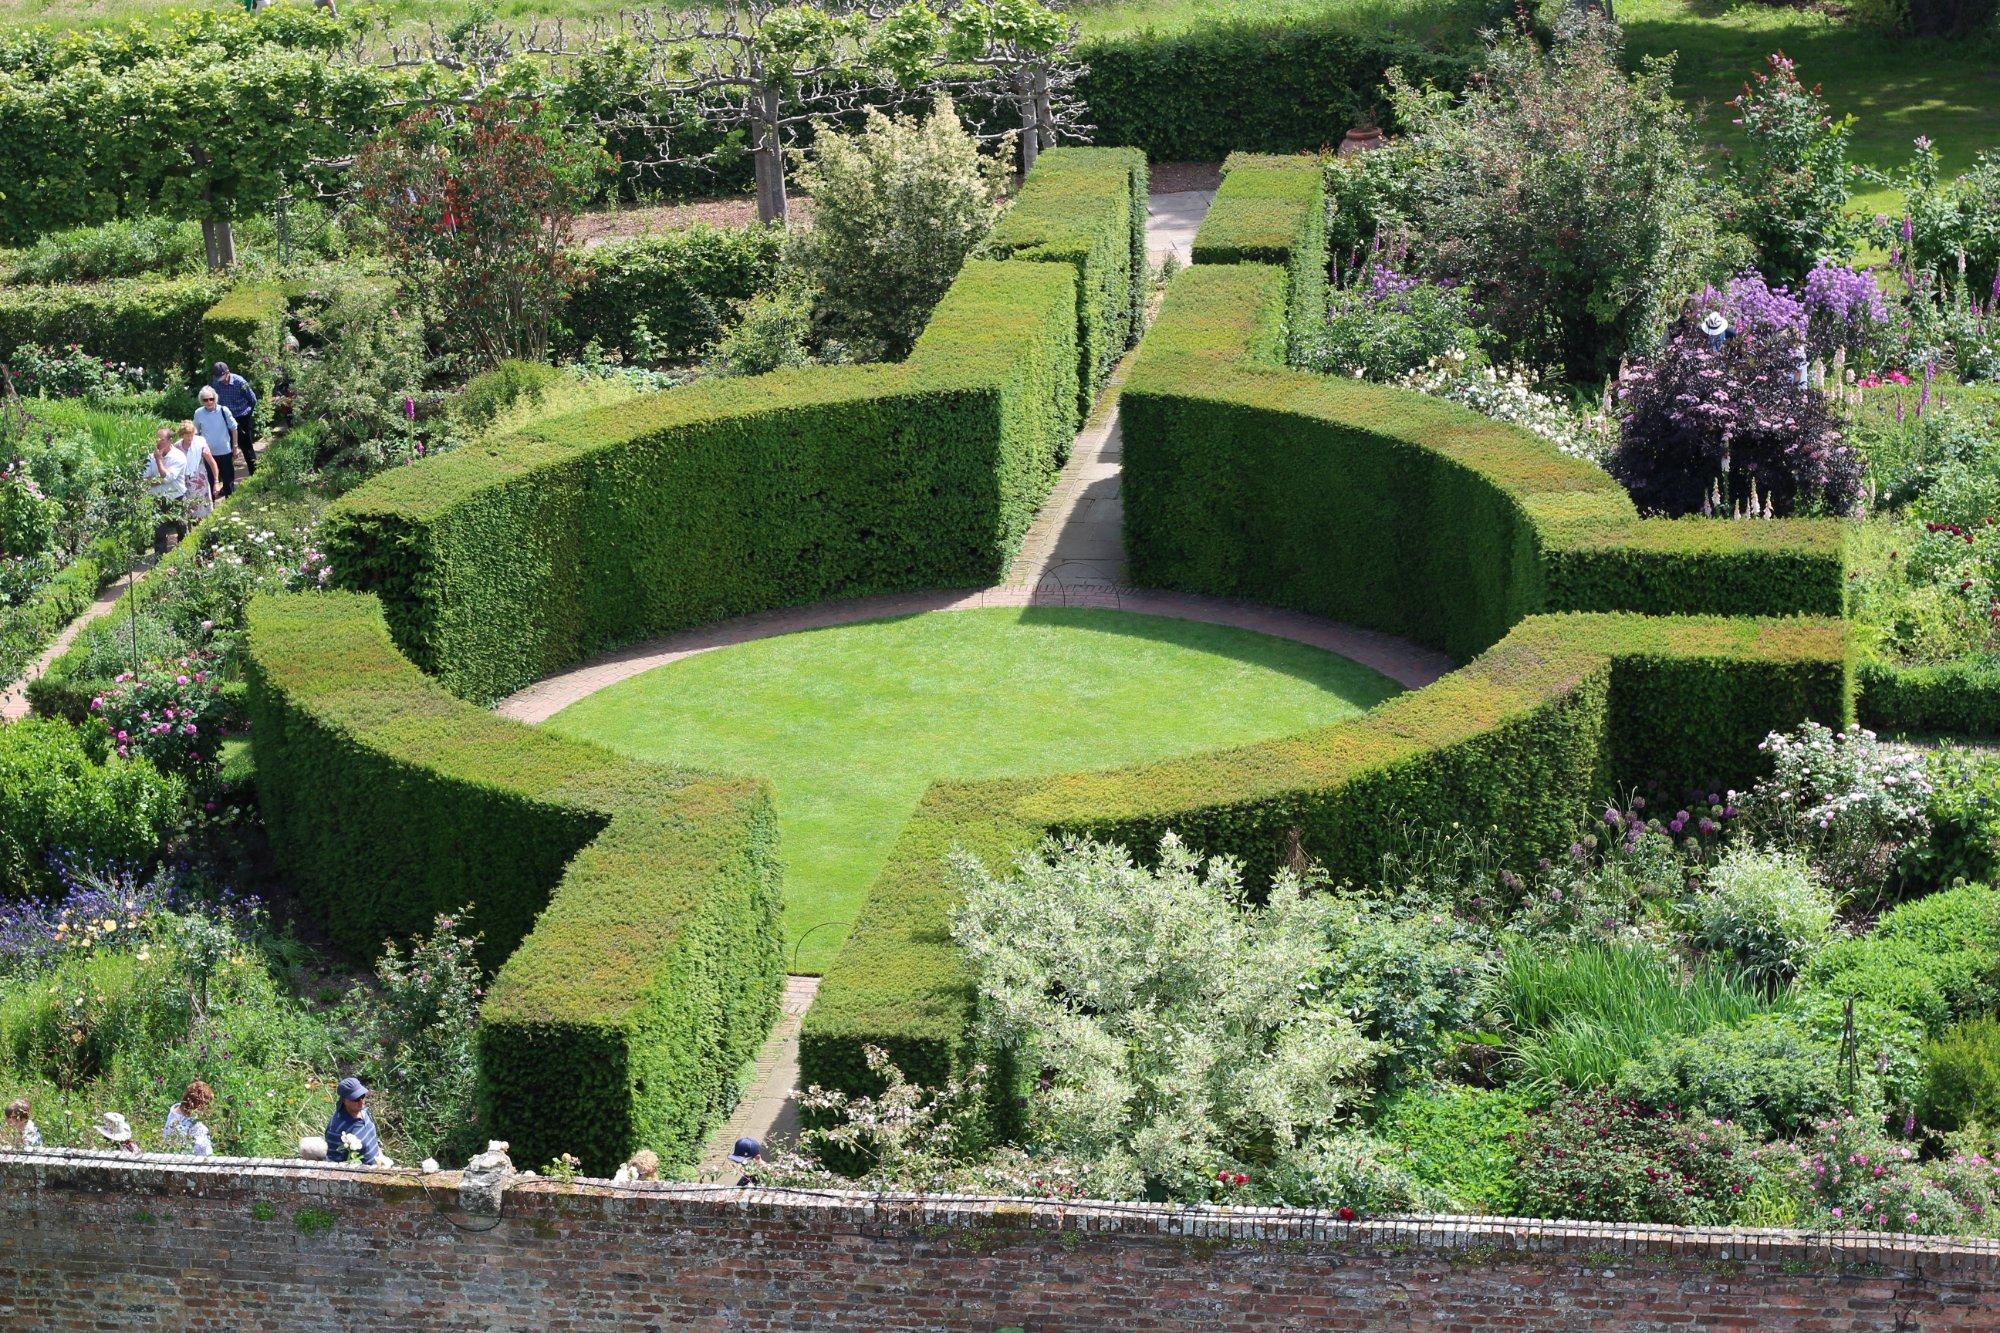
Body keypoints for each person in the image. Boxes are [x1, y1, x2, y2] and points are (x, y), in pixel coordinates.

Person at [144, 426, 189, 554]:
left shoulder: (178, 457)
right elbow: (143, 480)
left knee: (182, 529)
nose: (158, 442)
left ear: (170, 440)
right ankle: (159, 561)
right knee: (159, 533)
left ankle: (183, 555)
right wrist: (157, 479)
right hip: (157, 500)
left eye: (161, 439)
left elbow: (167, 477)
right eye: (156, 439)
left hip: (176, 498)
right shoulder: (149, 456)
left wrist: (158, 460)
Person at [209, 361, 258, 477]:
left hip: (242, 417)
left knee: (247, 448)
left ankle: (255, 475)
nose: (220, 380)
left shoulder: (240, 382)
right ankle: (227, 480)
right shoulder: (216, 383)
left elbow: (253, 400)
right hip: (226, 418)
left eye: (221, 377)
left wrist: (247, 415)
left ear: (227, 372)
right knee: (226, 450)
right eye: (218, 378)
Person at [191, 386, 240, 498]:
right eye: (205, 400)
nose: (209, 402)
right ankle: (211, 507)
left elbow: (234, 428)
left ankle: (231, 504)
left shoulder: (223, 410)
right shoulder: (198, 413)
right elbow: (196, 433)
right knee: (210, 481)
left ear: (215, 398)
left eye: (211, 399)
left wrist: (235, 446)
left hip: (225, 451)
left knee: (228, 481)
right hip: (208, 454)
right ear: (201, 401)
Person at [324, 1076, 382, 1166]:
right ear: (344, 1100)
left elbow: (373, 1140)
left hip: (378, 1168)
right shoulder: (335, 1128)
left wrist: (381, 1157)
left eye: (362, 1096)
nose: (361, 1101)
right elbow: (334, 1164)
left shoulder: (365, 1111)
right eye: (356, 1099)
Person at [177, 419, 221, 523]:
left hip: (200, 482)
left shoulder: (200, 443)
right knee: (188, 512)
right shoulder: (177, 447)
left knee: (203, 511)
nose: (190, 438)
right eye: (187, 435)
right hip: (185, 482)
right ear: (182, 435)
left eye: (191, 434)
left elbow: (212, 463)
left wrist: (216, 482)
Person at [163, 1080, 215, 1158]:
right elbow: (205, 1152)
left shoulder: (174, 1112)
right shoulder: (190, 1126)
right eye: (206, 1105)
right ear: (199, 1105)